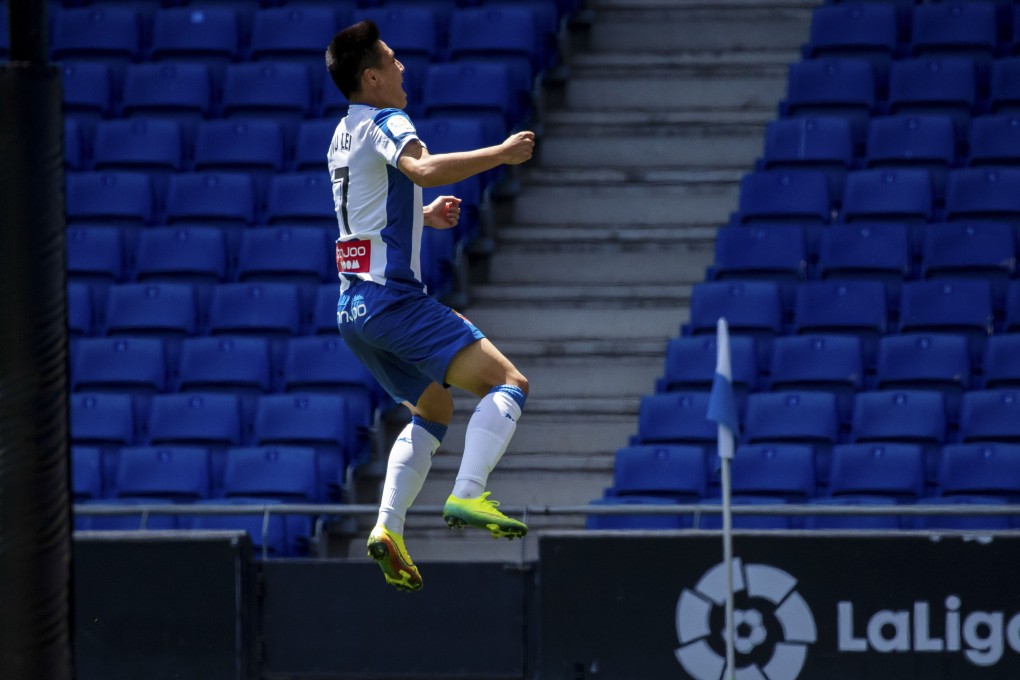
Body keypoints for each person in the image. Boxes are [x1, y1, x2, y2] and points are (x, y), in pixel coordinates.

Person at [324, 20, 536, 592]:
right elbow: (419, 167)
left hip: (352, 310)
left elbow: (361, 225)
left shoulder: (342, 134)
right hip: (393, 301)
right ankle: (468, 493)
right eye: (391, 62)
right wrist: (501, 153)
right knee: (508, 383)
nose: (401, 68)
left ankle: (387, 527)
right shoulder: (388, 121)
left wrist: (420, 218)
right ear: (371, 77)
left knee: (434, 407)